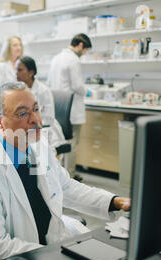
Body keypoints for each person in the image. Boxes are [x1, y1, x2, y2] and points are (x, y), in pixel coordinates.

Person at [0, 82, 131, 260]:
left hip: (54, 245)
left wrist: (115, 202)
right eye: (22, 113)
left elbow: (66, 188)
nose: (35, 119)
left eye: (36, 109)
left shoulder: (37, 146)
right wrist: (52, 256)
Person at [47, 33, 92, 182]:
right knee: (71, 143)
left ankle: (60, 176)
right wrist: (88, 91)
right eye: (85, 50)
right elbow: (78, 86)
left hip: (58, 108)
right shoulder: (73, 60)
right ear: (80, 45)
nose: (84, 54)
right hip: (72, 109)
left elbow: (49, 82)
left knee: (60, 142)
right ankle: (70, 177)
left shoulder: (56, 58)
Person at [15, 55, 66, 156]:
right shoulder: (18, 90)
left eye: (20, 70)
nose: (16, 73)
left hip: (45, 130)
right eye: (16, 70)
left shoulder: (43, 91)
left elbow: (48, 119)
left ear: (31, 72)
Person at [0, 36, 23, 119]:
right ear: (8, 48)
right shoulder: (1, 66)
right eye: (15, 45)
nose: (19, 48)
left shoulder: (22, 64)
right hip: (4, 107)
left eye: (20, 45)